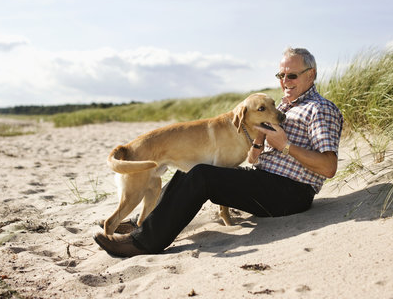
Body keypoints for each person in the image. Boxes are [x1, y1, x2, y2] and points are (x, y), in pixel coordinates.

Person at [94, 47, 344, 257]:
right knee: (189, 170)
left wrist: (286, 146)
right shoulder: (281, 106)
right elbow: (257, 158)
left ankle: (142, 243)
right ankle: (146, 225)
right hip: (266, 182)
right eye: (281, 75)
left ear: (311, 75)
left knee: (203, 175)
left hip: (291, 193)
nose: (284, 82)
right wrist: (259, 144)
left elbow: (329, 167)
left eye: (292, 76)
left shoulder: (320, 109)